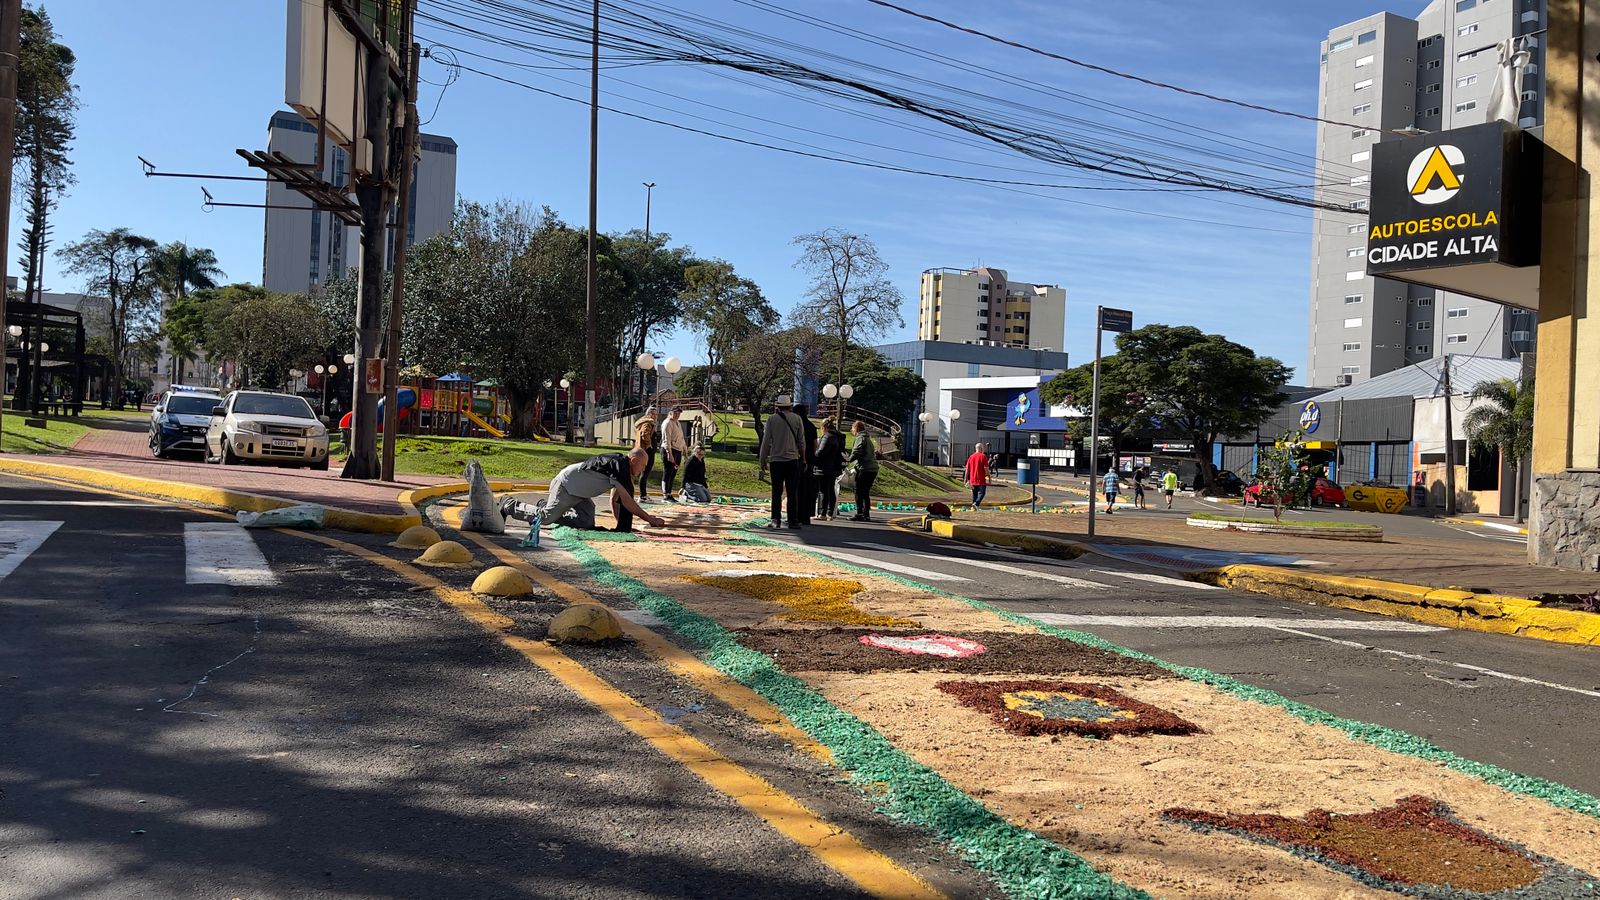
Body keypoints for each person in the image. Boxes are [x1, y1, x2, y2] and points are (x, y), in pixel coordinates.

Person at [534, 447, 667, 532]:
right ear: (633, 460)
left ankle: (549, 509)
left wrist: (621, 526)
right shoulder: (619, 467)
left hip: (581, 493)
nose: (644, 469)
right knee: (546, 518)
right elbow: (628, 502)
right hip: (566, 485)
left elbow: (615, 501)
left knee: (586, 522)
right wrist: (650, 519)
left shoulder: (622, 469)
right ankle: (514, 505)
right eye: (643, 465)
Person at [758, 395, 807, 529]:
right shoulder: (797, 419)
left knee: (776, 491)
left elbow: (766, 441)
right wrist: (803, 458)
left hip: (776, 460)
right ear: (790, 406)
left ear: (778, 407)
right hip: (792, 460)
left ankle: (775, 519)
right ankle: (792, 520)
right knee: (792, 491)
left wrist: (762, 459)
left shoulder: (771, 420)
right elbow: (801, 442)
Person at [813, 418, 846, 520]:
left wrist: (813, 455)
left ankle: (822, 514)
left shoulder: (827, 437)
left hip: (824, 467)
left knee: (823, 491)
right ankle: (830, 513)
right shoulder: (838, 436)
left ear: (824, 427)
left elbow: (821, 452)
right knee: (831, 490)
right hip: (834, 467)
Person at [847, 420, 879, 522]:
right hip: (872, 469)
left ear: (856, 429)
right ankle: (866, 514)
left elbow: (857, 451)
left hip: (865, 468)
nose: (851, 430)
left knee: (858, 490)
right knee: (865, 492)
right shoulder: (868, 438)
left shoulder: (860, 438)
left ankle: (859, 513)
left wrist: (848, 460)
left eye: (852, 428)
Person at [793, 403, 819, 523]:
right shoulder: (811, 426)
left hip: (797, 458)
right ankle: (806, 515)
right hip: (809, 460)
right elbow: (815, 445)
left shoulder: (796, 426)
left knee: (796, 488)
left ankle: (796, 514)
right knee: (807, 489)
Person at [659, 406, 689, 501]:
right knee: (668, 472)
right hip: (669, 449)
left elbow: (681, 438)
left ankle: (669, 493)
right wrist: (669, 453)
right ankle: (665, 494)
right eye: (675, 413)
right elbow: (666, 439)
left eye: (678, 414)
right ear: (671, 412)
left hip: (678, 450)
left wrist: (685, 451)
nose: (677, 415)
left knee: (673, 473)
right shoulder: (667, 423)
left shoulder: (678, 423)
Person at [634, 407, 658, 501]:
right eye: (653, 414)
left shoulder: (650, 423)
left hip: (648, 452)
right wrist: (648, 445)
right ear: (649, 414)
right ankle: (642, 495)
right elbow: (644, 433)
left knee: (645, 473)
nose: (655, 416)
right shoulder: (647, 423)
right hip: (646, 452)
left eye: (656, 414)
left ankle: (643, 494)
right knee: (644, 472)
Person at [964, 442, 992, 508]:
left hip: (972, 479)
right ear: (981, 448)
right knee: (982, 493)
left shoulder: (971, 457)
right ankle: (976, 503)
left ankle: (974, 505)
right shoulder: (983, 456)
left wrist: (965, 479)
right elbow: (986, 469)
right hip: (981, 479)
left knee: (974, 494)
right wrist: (989, 477)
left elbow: (967, 469)